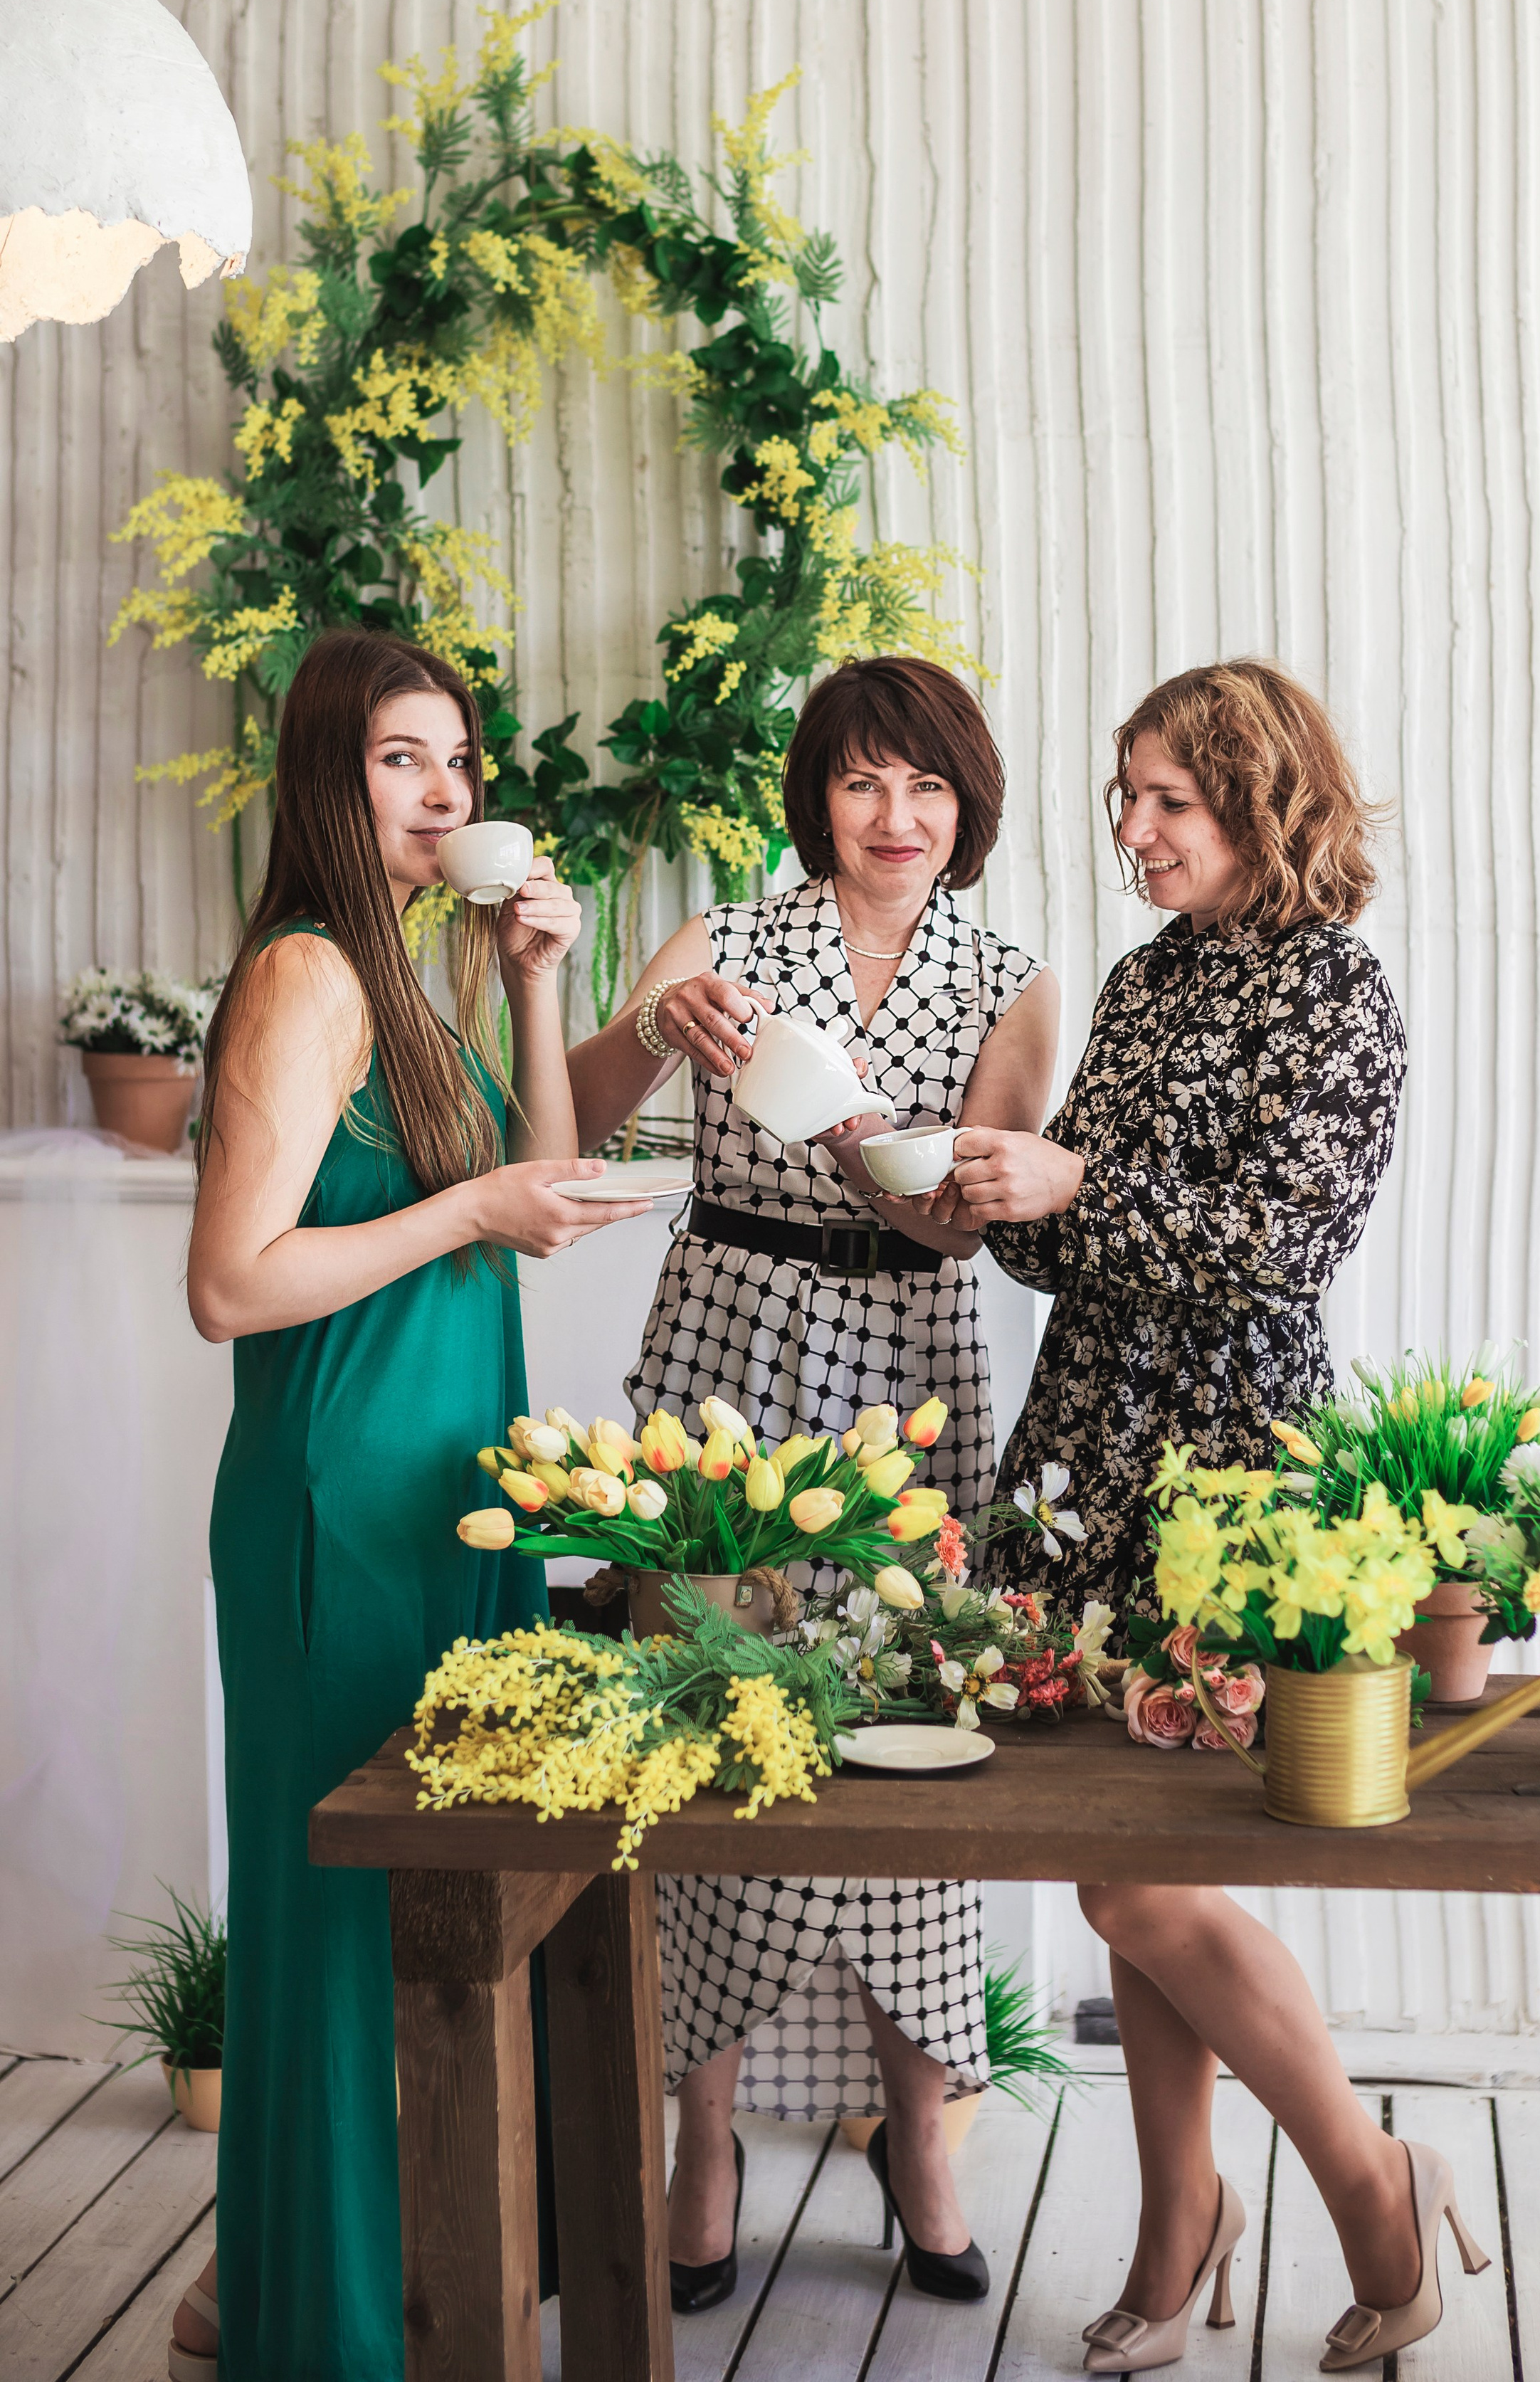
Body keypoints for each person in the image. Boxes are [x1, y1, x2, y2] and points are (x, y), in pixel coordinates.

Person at [943, 662, 1487, 2374]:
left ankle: (1369, 2182)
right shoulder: (1146, 976)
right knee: (1123, 1863)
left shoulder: (1335, 990)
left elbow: (1285, 1246)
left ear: (1264, 802)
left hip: (1230, 1469)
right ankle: (1182, 2217)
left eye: (1166, 798)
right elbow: (1068, 1246)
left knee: (1141, 1882)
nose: (1132, 827)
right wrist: (1003, 1189)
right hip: (1085, 1446)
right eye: (1124, 795)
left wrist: (1080, 1186)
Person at [167, 630, 651, 2382]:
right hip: (340, 1506)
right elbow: (230, 1285)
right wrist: (467, 1215)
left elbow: (537, 1182)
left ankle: (372, 2295)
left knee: (439, 1909)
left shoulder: (409, 969)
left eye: (457, 758)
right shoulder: (309, 972)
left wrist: (536, 981)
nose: (445, 790)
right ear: (327, 775)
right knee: (339, 1936)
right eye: (400, 758)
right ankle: (325, 2329)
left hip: (447, 1492)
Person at [568, 655, 1058, 2312]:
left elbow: (957, 1224)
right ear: (815, 799)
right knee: (709, 1727)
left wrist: (844, 1124)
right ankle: (699, 2138)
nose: (893, 815)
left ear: (966, 806)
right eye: (861, 780)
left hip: (912, 1365)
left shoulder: (1009, 981)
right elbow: (568, 1120)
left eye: (925, 785)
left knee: (915, 1735)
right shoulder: (723, 938)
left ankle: (919, 2133)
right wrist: (651, 1026)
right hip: (724, 1343)